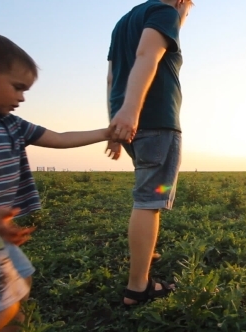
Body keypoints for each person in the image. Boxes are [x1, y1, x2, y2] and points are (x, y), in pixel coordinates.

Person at [0, 31, 111, 331]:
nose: (21, 97)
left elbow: (58, 138)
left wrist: (107, 132)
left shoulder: (10, 123)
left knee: (23, 276)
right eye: (17, 87)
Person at [105, 0, 194, 306]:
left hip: (131, 125)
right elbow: (147, 55)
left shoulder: (125, 21)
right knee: (149, 202)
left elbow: (111, 77)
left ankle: (144, 256)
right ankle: (138, 288)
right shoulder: (164, 13)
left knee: (146, 196)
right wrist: (131, 112)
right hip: (155, 120)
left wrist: (115, 124)